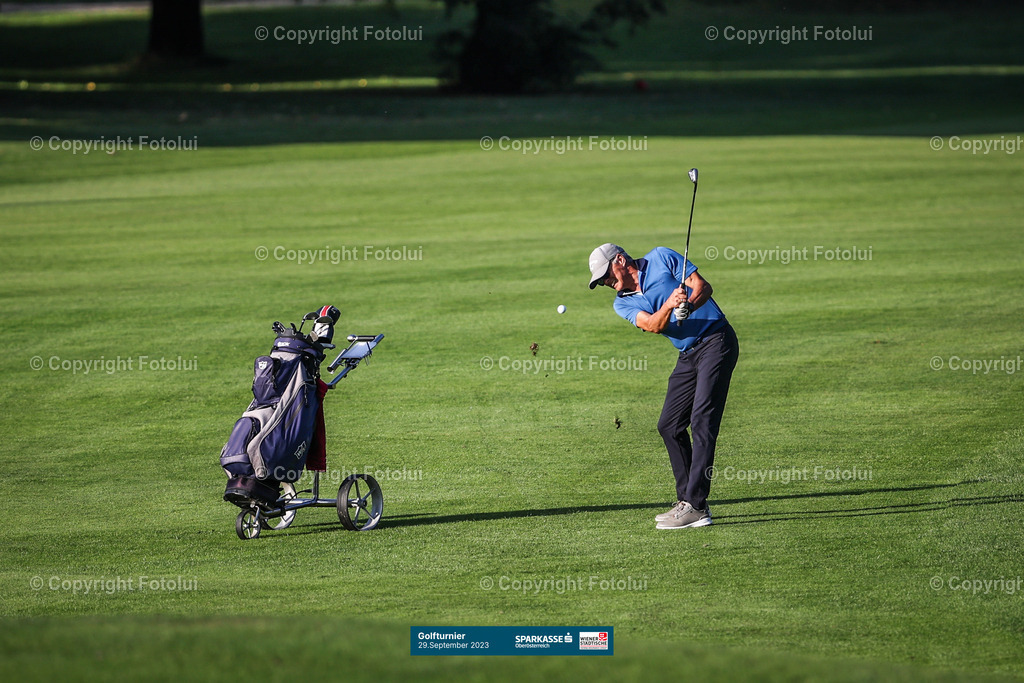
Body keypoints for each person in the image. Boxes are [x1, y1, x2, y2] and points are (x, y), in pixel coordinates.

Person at [588, 243, 739, 529]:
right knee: (669, 425)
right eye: (601, 280)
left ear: (620, 260)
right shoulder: (622, 303)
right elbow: (652, 325)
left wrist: (689, 304)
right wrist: (670, 305)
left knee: (702, 421)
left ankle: (696, 506)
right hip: (688, 355)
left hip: (716, 341)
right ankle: (688, 501)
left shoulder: (661, 257)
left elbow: (703, 287)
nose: (606, 282)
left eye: (606, 274)